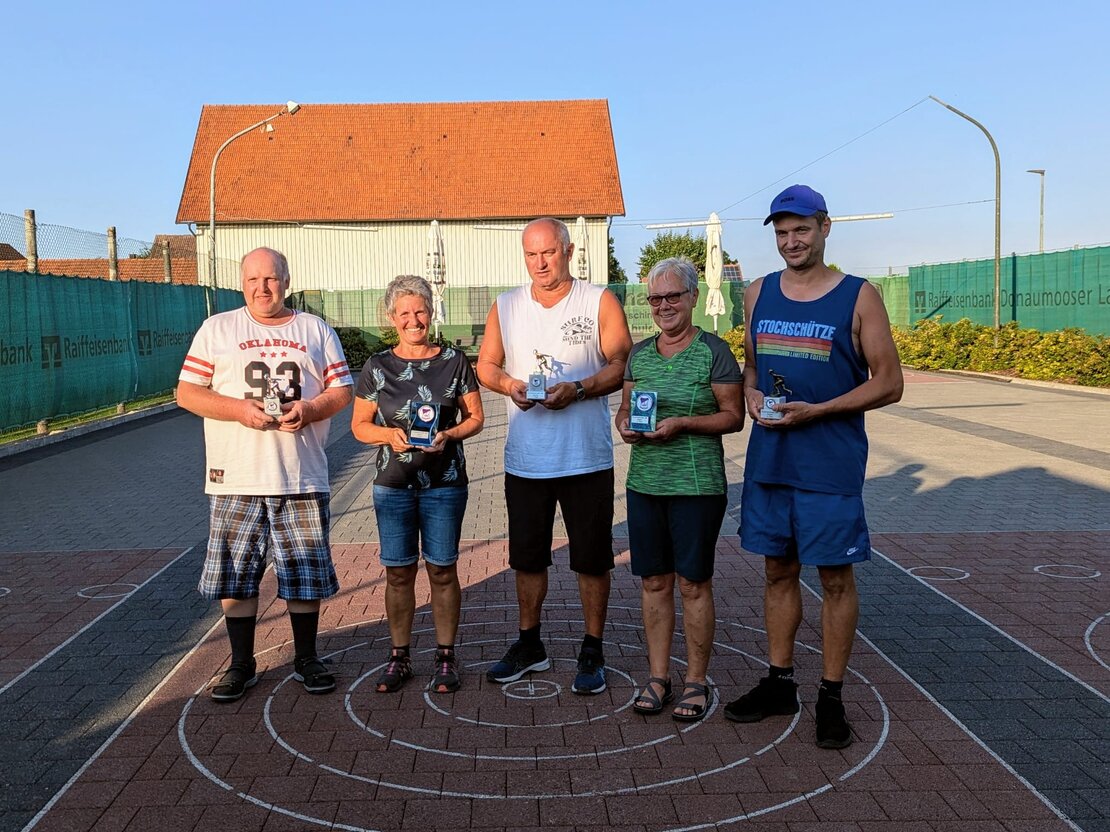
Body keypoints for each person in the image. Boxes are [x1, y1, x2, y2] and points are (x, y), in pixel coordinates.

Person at [724, 185, 904, 747]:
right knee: (777, 571)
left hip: (829, 465)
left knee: (834, 578)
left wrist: (820, 410)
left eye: (801, 230)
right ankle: (780, 683)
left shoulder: (859, 295)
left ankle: (831, 695)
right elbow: (752, 368)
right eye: (781, 233)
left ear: (825, 227)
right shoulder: (757, 293)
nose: (791, 242)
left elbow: (890, 382)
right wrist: (752, 394)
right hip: (771, 461)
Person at [177, 247, 354, 702]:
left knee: (304, 572)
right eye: (253, 279)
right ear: (242, 283)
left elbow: (342, 389)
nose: (262, 288)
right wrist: (238, 409)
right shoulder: (217, 328)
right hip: (236, 475)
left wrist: (310, 409)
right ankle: (242, 663)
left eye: (271, 278)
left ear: (287, 281)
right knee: (236, 575)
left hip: (300, 474)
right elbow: (187, 393)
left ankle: (307, 658)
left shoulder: (314, 328)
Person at [477, 217, 632, 694]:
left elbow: (622, 363)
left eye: (548, 252)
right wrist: (509, 385)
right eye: (531, 254)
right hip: (527, 459)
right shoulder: (506, 305)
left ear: (568, 251)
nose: (540, 263)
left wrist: (580, 389)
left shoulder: (598, 300)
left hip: (586, 458)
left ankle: (592, 647)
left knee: (592, 559)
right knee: (527, 559)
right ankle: (530, 644)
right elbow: (486, 365)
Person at [615, 257, 743, 721]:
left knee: (692, 583)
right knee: (653, 581)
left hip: (696, 486)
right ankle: (658, 677)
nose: (664, 306)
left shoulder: (714, 351)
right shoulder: (639, 354)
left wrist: (684, 423)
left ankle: (696, 681)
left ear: (693, 296)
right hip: (645, 484)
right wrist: (625, 426)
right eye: (655, 298)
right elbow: (624, 409)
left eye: (673, 296)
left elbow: (733, 416)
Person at [350, 275, 484, 693]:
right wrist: (388, 435)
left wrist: (449, 435)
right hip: (393, 484)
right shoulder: (377, 367)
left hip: (445, 483)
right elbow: (359, 426)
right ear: (392, 318)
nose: (413, 320)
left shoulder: (455, 361)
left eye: (420, 311)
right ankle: (400, 656)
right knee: (398, 573)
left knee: (442, 570)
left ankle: (446, 657)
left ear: (431, 312)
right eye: (404, 313)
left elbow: (476, 418)